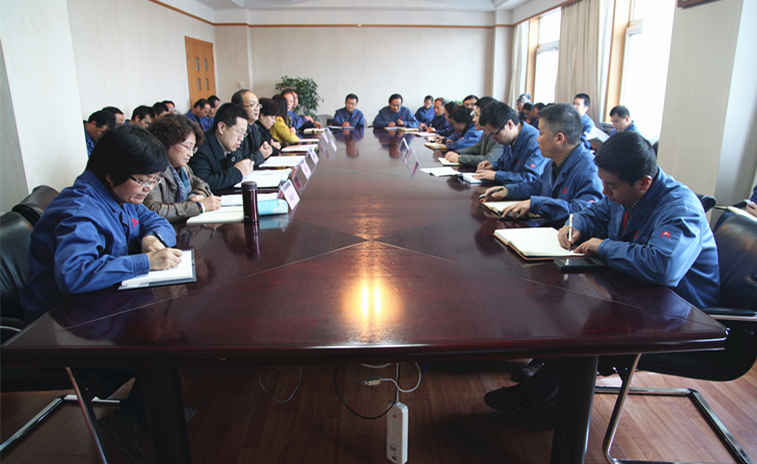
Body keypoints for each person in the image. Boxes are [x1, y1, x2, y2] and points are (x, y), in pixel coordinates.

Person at [23, 125, 181, 318]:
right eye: (142, 180)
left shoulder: (122, 195)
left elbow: (157, 221)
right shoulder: (80, 211)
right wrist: (146, 262)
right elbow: (74, 274)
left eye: (154, 180)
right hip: (62, 319)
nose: (149, 188)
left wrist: (151, 238)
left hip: (105, 301)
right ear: (111, 175)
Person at [558, 131, 719, 308]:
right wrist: (576, 225)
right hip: (637, 294)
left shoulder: (681, 209)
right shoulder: (624, 193)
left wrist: (604, 246)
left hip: (684, 309)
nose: (604, 191)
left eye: (611, 186)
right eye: (602, 182)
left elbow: (663, 267)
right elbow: (594, 214)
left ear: (643, 183)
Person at [480, 103, 603, 223]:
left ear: (559, 138)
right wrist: (508, 191)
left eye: (541, 133)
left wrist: (536, 204)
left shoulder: (589, 168)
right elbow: (537, 186)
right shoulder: (553, 162)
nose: (537, 138)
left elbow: (586, 211)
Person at [144, 114, 221, 222]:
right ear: (167, 142)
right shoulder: (152, 170)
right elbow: (153, 210)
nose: (191, 154)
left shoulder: (183, 168)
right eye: (187, 147)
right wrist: (199, 206)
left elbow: (202, 184)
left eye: (193, 149)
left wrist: (197, 195)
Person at [472, 102, 547, 186]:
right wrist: (493, 165)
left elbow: (530, 178)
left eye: (495, 133)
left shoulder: (535, 142)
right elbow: (505, 163)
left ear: (509, 124)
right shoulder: (509, 138)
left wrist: (496, 175)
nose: (493, 138)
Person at [188, 103, 252, 193]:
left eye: (244, 134)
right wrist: (237, 173)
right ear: (222, 127)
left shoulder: (231, 144)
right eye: (239, 132)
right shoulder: (201, 148)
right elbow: (203, 184)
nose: (241, 139)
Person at [444, 97, 504, 168]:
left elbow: (489, 160)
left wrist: (460, 158)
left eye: (477, 115)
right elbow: (477, 148)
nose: (473, 119)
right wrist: (457, 153)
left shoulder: (500, 134)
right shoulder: (486, 132)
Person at [231, 89, 275, 167]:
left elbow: (263, 148)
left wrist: (269, 149)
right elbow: (238, 162)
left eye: (258, 105)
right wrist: (260, 155)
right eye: (252, 105)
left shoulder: (255, 127)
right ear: (239, 108)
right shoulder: (234, 130)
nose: (257, 109)